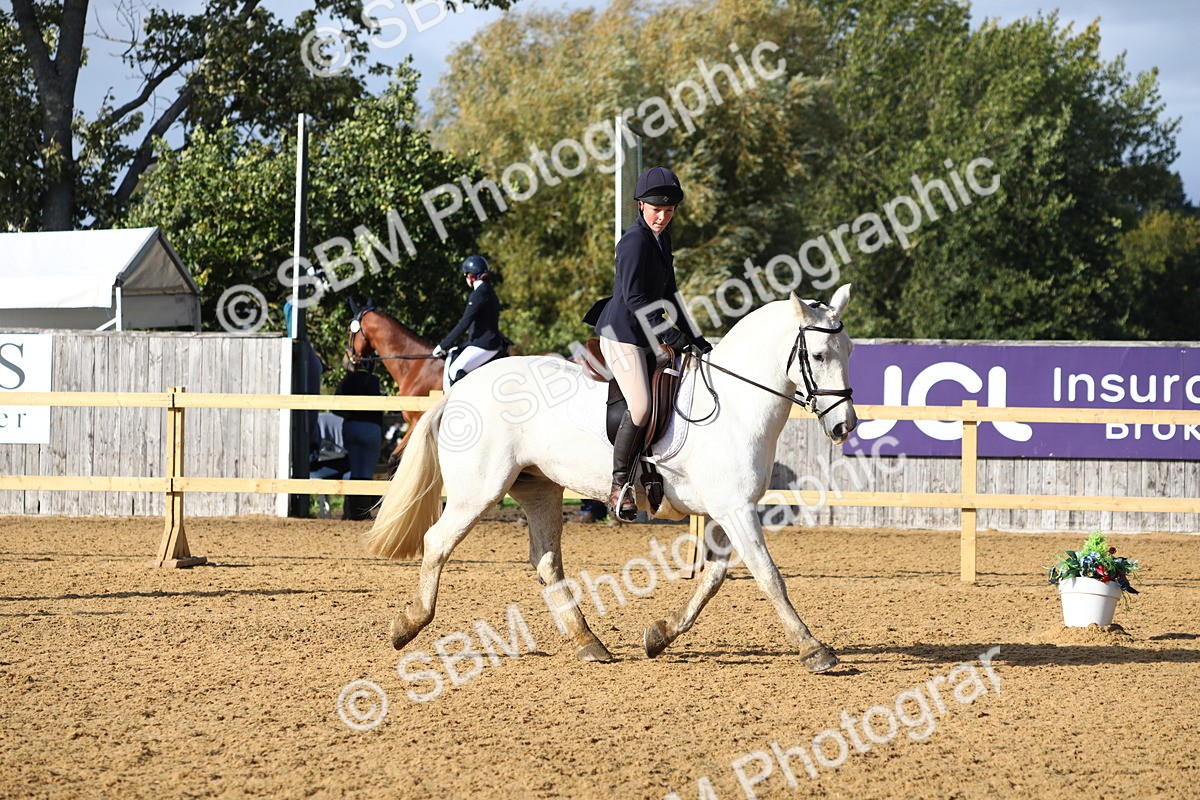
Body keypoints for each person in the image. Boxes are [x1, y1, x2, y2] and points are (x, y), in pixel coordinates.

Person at [585, 166, 712, 521]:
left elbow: (670, 293)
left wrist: (695, 336)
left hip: (646, 333)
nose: (662, 216)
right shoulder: (634, 241)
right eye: (657, 209)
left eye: (669, 211)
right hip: (622, 333)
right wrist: (670, 335)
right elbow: (637, 298)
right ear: (641, 205)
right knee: (640, 406)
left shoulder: (662, 239)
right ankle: (619, 485)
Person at [432, 255, 506, 391]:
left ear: (471, 277)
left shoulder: (478, 294)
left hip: (484, 344)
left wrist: (443, 345)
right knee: (454, 352)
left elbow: (464, 323)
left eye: (466, 276)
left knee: (455, 370)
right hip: (489, 342)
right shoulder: (489, 291)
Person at [334, 358, 384, 521]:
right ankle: (363, 512)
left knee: (354, 471)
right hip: (371, 428)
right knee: (366, 473)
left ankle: (351, 512)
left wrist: (349, 415)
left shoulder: (347, 380)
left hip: (352, 426)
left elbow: (335, 406)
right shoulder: (374, 380)